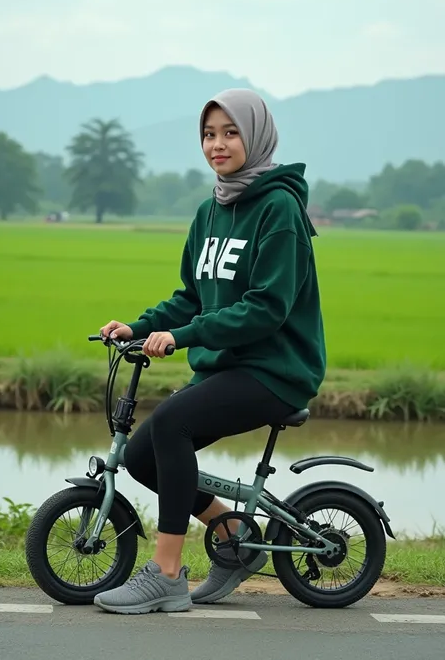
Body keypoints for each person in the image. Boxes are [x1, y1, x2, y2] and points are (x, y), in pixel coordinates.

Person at [94, 88, 326, 615]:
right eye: (208, 134)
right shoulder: (210, 210)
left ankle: (167, 575)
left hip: (275, 369)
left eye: (229, 132)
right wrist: (137, 327)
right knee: (139, 456)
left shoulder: (279, 208)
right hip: (228, 367)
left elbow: (268, 308)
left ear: (256, 136)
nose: (216, 144)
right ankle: (234, 531)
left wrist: (185, 336)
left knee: (172, 423)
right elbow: (191, 297)